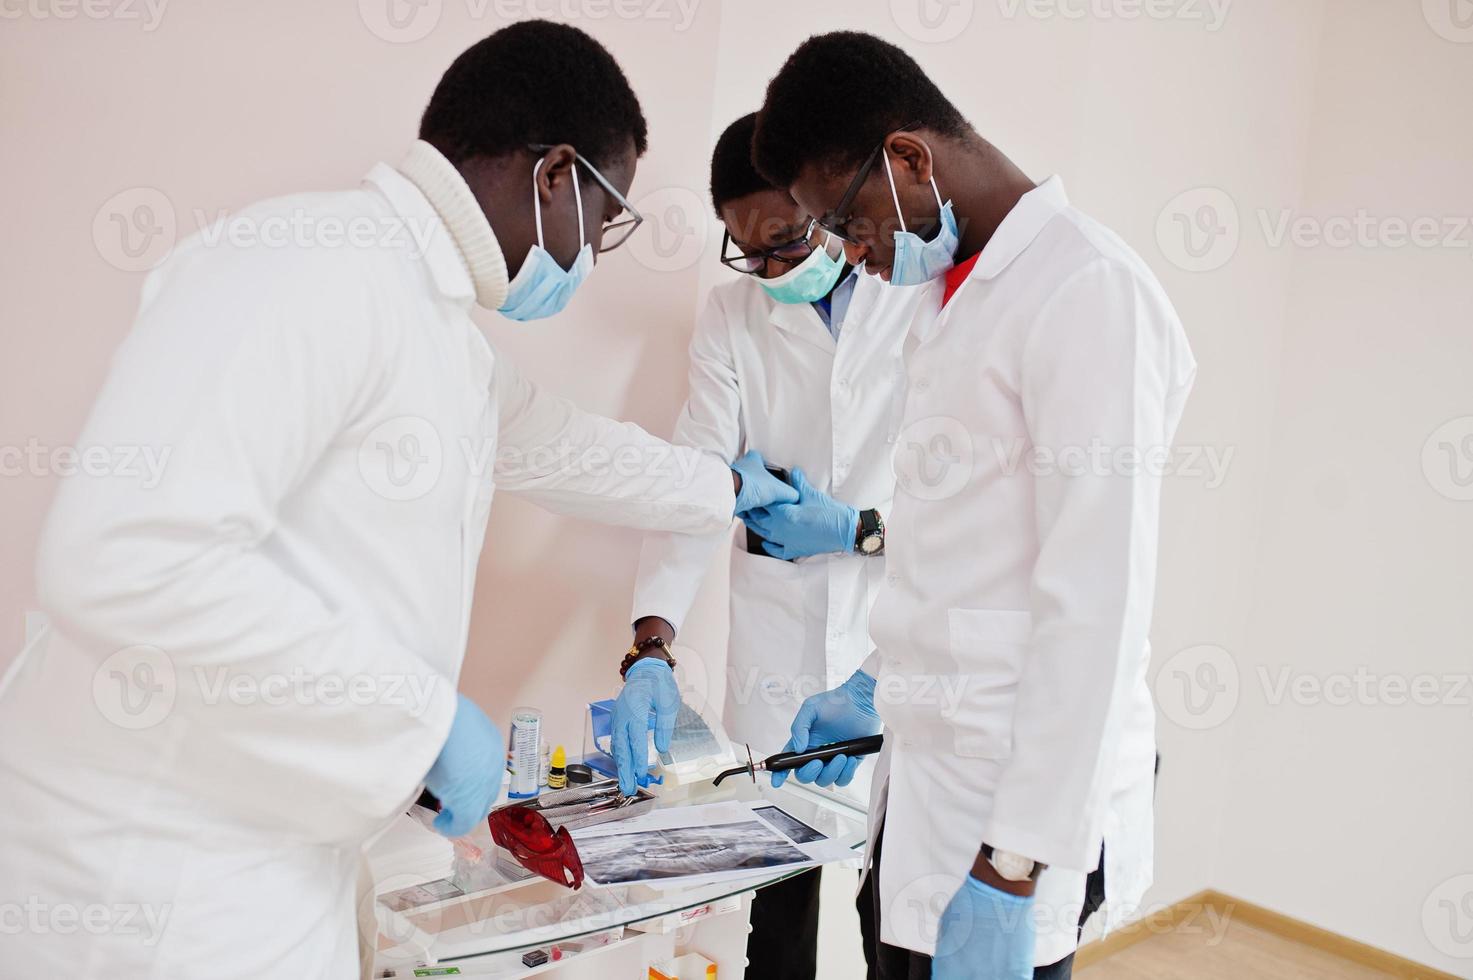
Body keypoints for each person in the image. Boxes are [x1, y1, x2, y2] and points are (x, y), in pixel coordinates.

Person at [0, 21, 795, 978]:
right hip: (149, 871)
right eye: (605, 218)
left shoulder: (435, 326)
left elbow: (568, 448)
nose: (592, 256)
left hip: (274, 849)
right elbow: (126, 554)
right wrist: (419, 720)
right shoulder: (305, 263)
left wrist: (728, 488)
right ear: (556, 177)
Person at [749, 32, 1198, 980]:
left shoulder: (1088, 292)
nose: (848, 252)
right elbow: (962, 555)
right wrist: (874, 680)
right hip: (925, 784)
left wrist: (1017, 861)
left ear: (908, 157)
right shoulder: (945, 301)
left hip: (1011, 819)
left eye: (844, 218)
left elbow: (1097, 602)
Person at [606, 112, 925, 980]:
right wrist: (651, 644)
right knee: (776, 913)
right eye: (749, 251)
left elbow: (970, 507)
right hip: (779, 651)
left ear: (832, 205)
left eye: (786, 240)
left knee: (892, 909)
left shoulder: (920, 299)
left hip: (898, 638)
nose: (772, 269)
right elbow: (694, 481)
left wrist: (858, 531)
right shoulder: (731, 316)